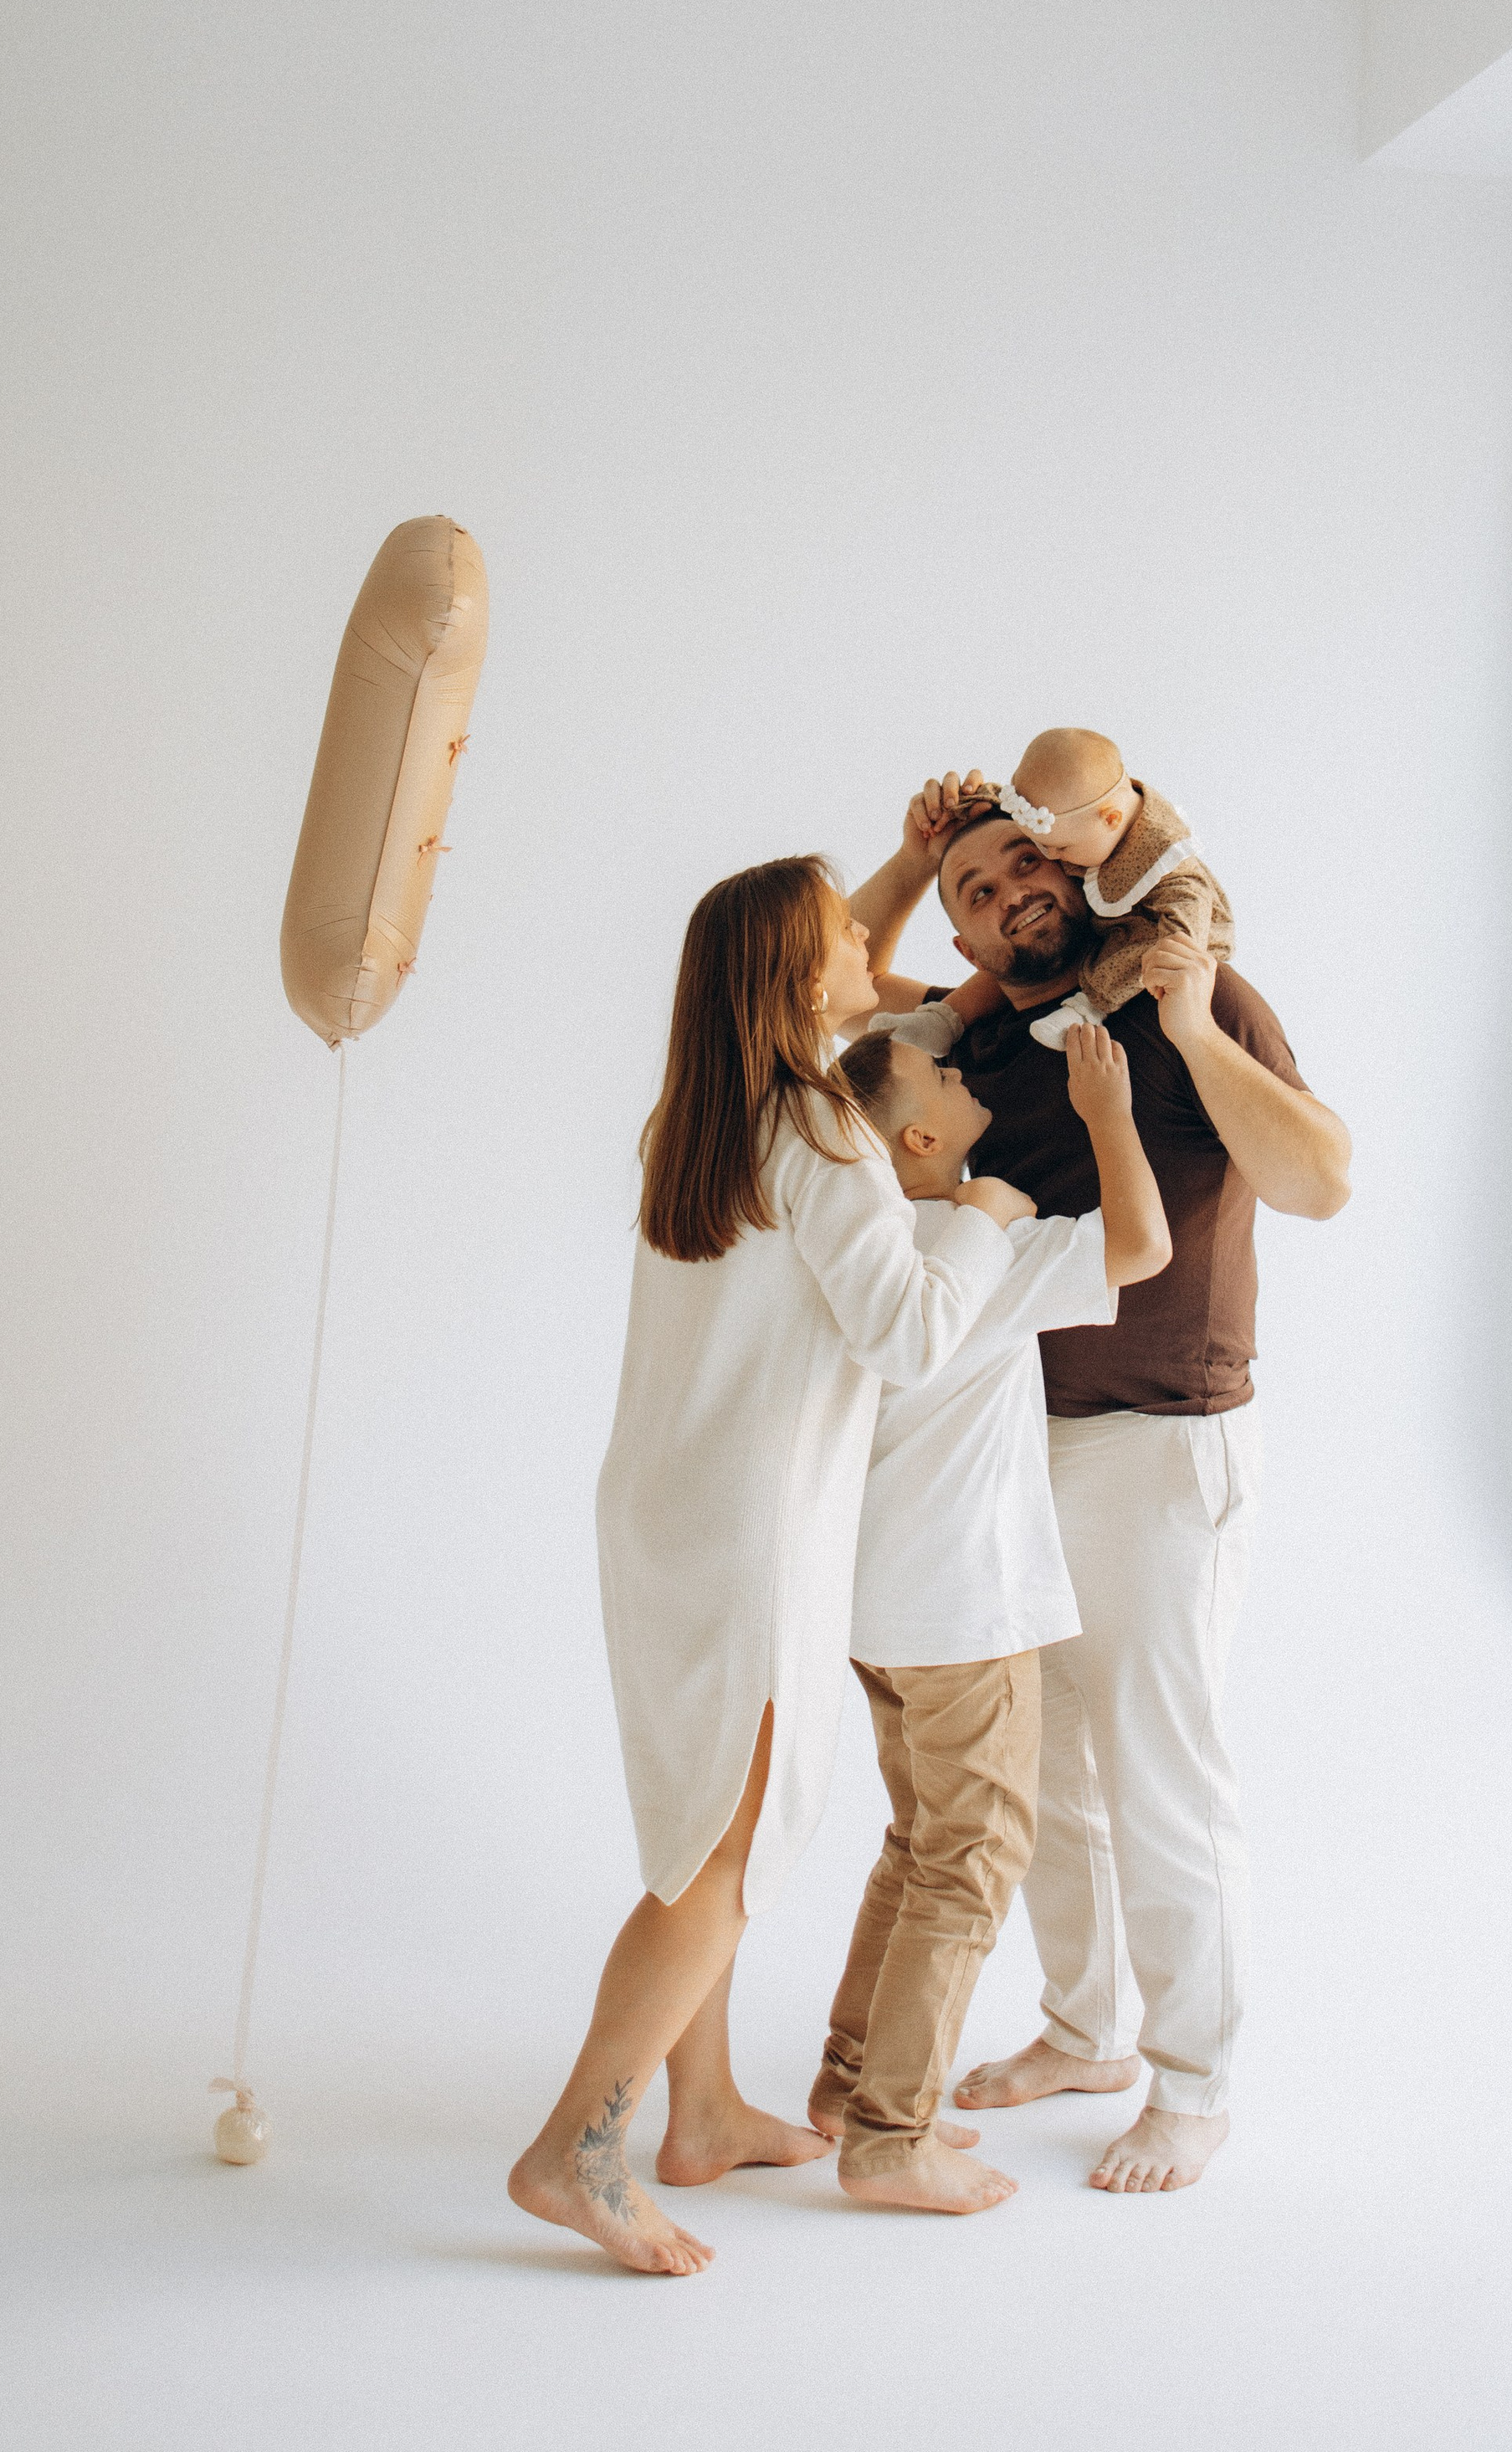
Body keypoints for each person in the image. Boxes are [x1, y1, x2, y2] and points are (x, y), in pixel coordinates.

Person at [507, 854, 1035, 2277]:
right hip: (748, 1531)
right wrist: (981, 1217)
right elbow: (911, 1335)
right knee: (728, 1848)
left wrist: (916, 868)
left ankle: (704, 2113)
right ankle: (578, 2145)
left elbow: (865, 972)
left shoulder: (699, 1117)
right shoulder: (821, 1124)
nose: (875, 946)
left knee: (698, 1824)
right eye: (844, 942)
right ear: (806, 984)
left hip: (665, 1512)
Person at [850, 781, 1351, 2194]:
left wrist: (1189, 1030)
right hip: (1016, 1447)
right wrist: (908, 858)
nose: (1004, 888)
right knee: (1052, 1770)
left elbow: (1321, 1183)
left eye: (1022, 860)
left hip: (1165, 1435)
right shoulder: (972, 1046)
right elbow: (825, 990)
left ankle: (1195, 2082)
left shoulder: (1190, 991)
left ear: (1075, 865)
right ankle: (1084, 2030)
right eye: (970, 887)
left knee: (1159, 1768)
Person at [808, 1023, 1171, 2218]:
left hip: (878, 1611)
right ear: (918, 1139)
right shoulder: (977, 1245)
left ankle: (848, 2082)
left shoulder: (860, 1251)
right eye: (948, 1079)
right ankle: (889, 2137)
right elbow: (1142, 1246)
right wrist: (1107, 1112)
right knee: (972, 1864)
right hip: (963, 1609)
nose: (966, 1078)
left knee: (920, 1844)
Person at [878, 730, 1233, 1058]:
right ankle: (944, 1018)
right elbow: (828, 984)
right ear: (968, 953)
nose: (1015, 895)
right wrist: (916, 858)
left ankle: (1086, 1007)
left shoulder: (1199, 1009)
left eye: (1029, 860)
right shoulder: (957, 1048)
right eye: (981, 892)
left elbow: (1289, 1127)